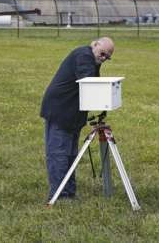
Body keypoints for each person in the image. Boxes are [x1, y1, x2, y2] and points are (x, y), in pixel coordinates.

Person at [40, 37, 115, 200]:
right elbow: (88, 82)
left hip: (73, 113)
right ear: (95, 44)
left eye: (107, 57)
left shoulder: (93, 59)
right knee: (59, 153)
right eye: (102, 53)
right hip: (60, 110)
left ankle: (69, 191)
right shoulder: (84, 55)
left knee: (70, 155)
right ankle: (60, 195)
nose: (103, 58)